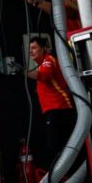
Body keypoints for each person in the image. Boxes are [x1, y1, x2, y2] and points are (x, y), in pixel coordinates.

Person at [27, 37, 75, 171]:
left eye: (34, 48)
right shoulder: (42, 63)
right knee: (56, 148)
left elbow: (44, 76)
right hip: (54, 111)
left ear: (43, 49)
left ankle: (69, 178)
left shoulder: (48, 60)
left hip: (60, 109)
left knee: (57, 147)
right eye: (30, 48)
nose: (31, 51)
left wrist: (23, 71)